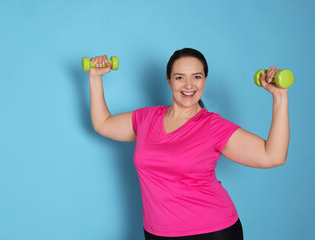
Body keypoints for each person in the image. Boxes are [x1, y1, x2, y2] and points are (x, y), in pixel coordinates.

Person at [87, 48, 290, 240]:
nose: (188, 85)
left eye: (196, 77)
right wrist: (95, 78)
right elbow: (103, 124)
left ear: (204, 80)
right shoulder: (146, 119)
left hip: (212, 231)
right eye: (180, 77)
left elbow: (272, 156)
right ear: (169, 81)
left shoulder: (212, 126)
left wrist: (279, 97)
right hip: (157, 232)